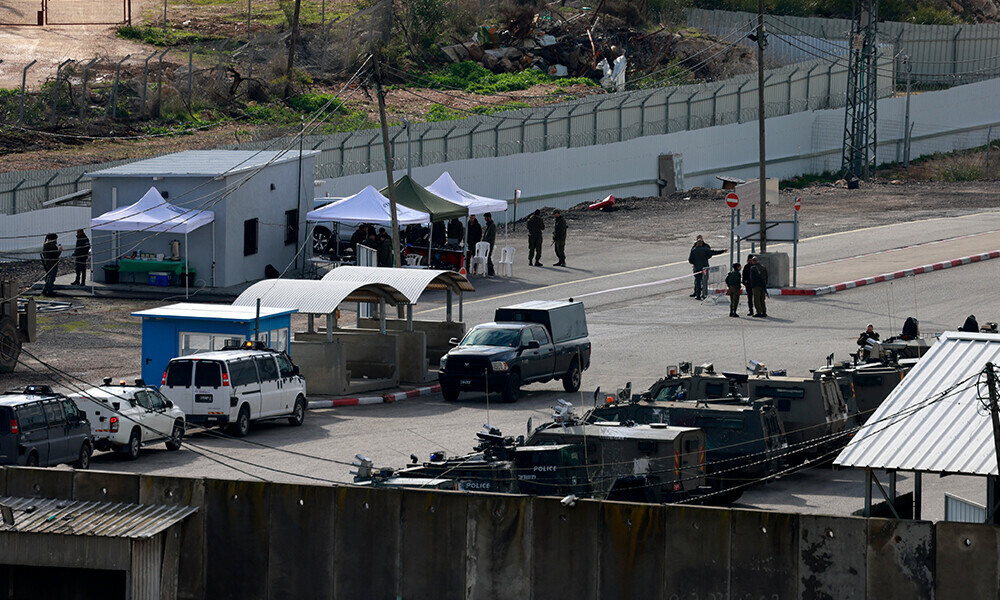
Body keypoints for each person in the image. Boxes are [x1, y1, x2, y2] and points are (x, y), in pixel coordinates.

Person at [687, 235, 726, 300]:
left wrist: (695, 263)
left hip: (697, 268)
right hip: (705, 268)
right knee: (704, 282)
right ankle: (704, 294)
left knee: (698, 282)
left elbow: (690, 260)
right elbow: (713, 252)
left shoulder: (693, 250)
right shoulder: (705, 249)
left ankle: (698, 295)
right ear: (702, 243)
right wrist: (722, 251)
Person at [483, 212, 497, 276]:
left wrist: (487, 242)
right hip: (486, 244)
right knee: (486, 257)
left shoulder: (492, 225)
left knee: (488, 257)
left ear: (489, 217)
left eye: (486, 217)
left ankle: (491, 270)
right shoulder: (489, 225)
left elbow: (491, 237)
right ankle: (488, 270)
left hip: (489, 244)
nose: (485, 219)